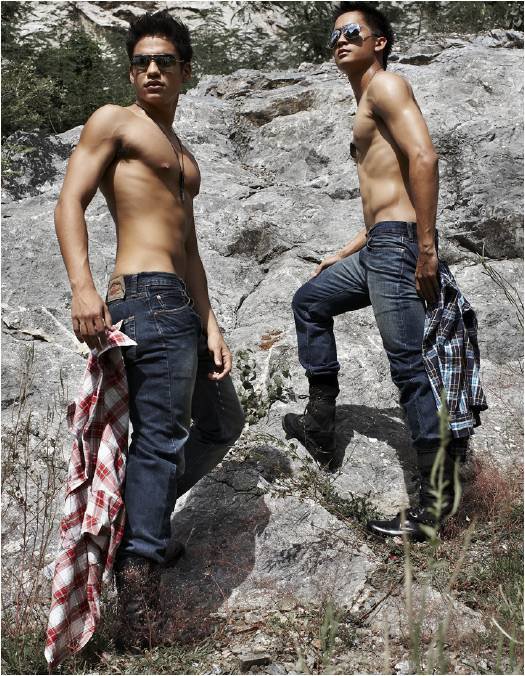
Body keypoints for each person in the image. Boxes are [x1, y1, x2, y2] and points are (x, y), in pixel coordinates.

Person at [54, 10, 244, 647]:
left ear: (186, 71)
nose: (153, 70)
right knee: (159, 442)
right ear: (131, 71)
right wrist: (84, 287)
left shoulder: (181, 152)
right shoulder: (115, 121)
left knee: (222, 423)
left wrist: (211, 323)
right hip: (142, 296)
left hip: (181, 307)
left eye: (165, 61)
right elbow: (70, 201)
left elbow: (189, 246)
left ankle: (141, 523)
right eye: (142, 62)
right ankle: (141, 602)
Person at [283, 1, 467, 539]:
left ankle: (435, 508)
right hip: (378, 247)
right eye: (334, 35)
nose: (340, 40)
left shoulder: (386, 86)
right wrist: (348, 249)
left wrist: (426, 248)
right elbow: (387, 191)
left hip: (400, 246)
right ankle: (320, 424)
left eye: (352, 32)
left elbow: (424, 159)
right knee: (310, 300)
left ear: (379, 42)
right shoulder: (365, 99)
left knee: (409, 366)